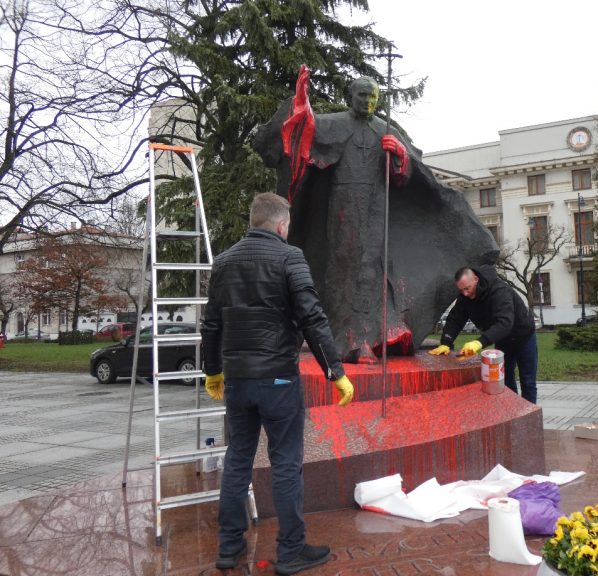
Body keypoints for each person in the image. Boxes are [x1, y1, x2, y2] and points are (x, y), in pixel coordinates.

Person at [251, 66, 497, 363]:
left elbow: (409, 175)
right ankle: (345, 339)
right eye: (362, 95)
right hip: (344, 208)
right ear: (351, 97)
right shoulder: (336, 123)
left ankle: (374, 335)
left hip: (378, 208)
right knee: (344, 269)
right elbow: (306, 133)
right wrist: (301, 101)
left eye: (372, 96)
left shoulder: (385, 129)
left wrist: (400, 156)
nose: (367, 101)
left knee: (373, 269)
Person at [201, 192, 354, 574]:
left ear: (254, 221)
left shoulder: (223, 262)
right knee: (285, 463)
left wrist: (212, 370)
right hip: (278, 378)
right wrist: (335, 371)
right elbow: (312, 318)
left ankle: (229, 548)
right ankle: (290, 552)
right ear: (282, 225)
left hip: (237, 380)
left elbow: (212, 324)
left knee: (238, 460)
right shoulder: (289, 257)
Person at [430, 265, 538, 404]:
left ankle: (530, 414)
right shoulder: (465, 297)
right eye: (461, 290)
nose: (465, 294)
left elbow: (505, 323)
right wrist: (446, 342)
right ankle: (512, 411)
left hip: (524, 336)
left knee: (528, 381)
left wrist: (479, 342)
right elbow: (455, 319)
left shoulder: (499, 290)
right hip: (502, 339)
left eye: (467, 288)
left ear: (476, 279)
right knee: (505, 380)